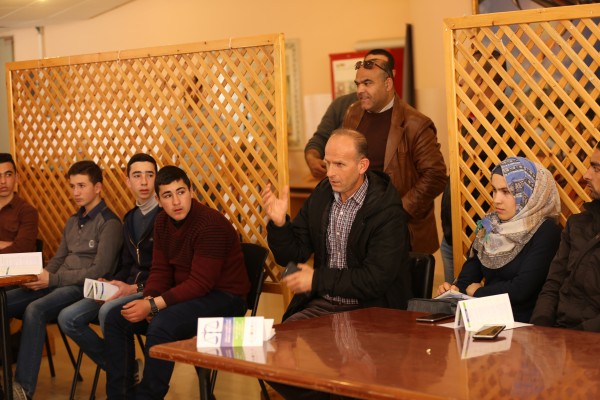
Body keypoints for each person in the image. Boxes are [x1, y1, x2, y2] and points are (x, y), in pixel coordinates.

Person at [263, 129, 410, 399]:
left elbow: (374, 280)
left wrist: (316, 279)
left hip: (368, 311)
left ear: (362, 165)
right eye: (327, 163)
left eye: (340, 164)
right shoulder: (323, 195)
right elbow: (292, 255)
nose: (330, 172)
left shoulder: (387, 211)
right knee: (269, 356)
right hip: (322, 306)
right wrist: (280, 224)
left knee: (351, 383)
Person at [103, 165, 250, 399]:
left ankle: (148, 397)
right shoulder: (162, 222)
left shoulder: (210, 224)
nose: (176, 202)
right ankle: (120, 396)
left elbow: (200, 284)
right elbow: (160, 270)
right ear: (158, 200)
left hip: (225, 299)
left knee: (163, 323)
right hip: (188, 297)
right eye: (168, 195)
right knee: (116, 318)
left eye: (181, 192)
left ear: (191, 191)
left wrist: (153, 306)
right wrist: (150, 297)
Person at [7, 160, 123, 400]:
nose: (75, 192)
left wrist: (52, 279)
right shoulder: (72, 221)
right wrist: (39, 277)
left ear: (98, 187)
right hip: (59, 281)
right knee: (3, 301)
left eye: (81, 186)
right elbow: (59, 258)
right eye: (72, 186)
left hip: (87, 287)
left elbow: (100, 269)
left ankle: (22, 389)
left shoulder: (110, 223)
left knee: (35, 310)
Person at [58, 153, 160, 371]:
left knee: (108, 311)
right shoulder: (130, 218)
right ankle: (126, 369)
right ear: (128, 181)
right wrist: (112, 282)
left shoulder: (164, 216)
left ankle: (123, 377)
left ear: (157, 179)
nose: (143, 182)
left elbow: (165, 272)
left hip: (148, 289)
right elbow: (126, 264)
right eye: (137, 176)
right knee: (68, 317)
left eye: (149, 175)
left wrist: (132, 288)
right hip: (124, 286)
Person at [343, 50, 447, 253]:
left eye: (367, 83)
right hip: (359, 226)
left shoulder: (415, 123)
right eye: (358, 84)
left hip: (401, 231)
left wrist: (397, 211)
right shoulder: (353, 113)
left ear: (388, 84)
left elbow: (436, 175)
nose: (360, 90)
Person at [437, 157, 562, 323]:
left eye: (506, 192)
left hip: (524, 325)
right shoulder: (491, 225)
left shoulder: (546, 231)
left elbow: (522, 289)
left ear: (528, 193)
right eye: (494, 190)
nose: (496, 199)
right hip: (485, 320)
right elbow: (468, 278)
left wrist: (479, 292)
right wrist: (452, 290)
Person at [530, 142, 600, 332]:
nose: (586, 175)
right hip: (558, 334)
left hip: (588, 339)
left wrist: (574, 339)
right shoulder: (576, 224)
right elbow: (553, 285)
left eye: (597, 169)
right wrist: (540, 329)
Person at [304, 49, 397, 180]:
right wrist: (312, 158)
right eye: (367, 65)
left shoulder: (405, 117)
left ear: (390, 78)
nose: (369, 69)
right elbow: (320, 139)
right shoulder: (343, 105)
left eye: (377, 66)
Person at [0, 153, 38, 254]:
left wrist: (15, 245)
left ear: (16, 177)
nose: (3, 181)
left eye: (8, 175)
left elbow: (22, 249)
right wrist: (11, 244)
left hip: (16, 264)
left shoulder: (28, 212)